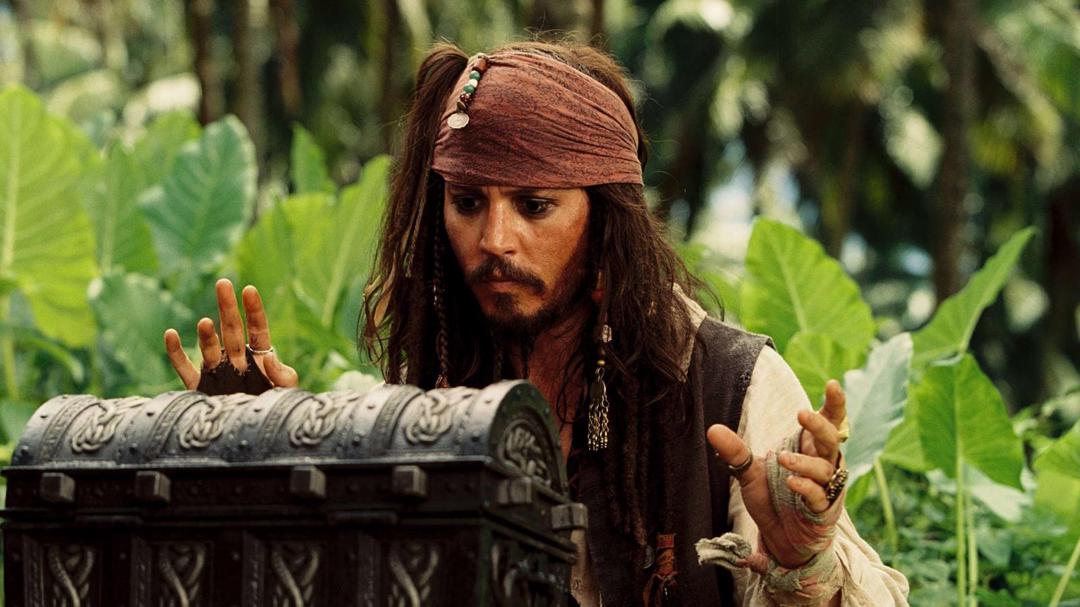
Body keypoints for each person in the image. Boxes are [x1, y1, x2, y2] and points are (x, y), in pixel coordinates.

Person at [164, 40, 909, 606]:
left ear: (605, 219)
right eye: (468, 203)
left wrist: (804, 563)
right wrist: (263, 462)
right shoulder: (414, 408)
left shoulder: (729, 388)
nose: (495, 239)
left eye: (534, 205)